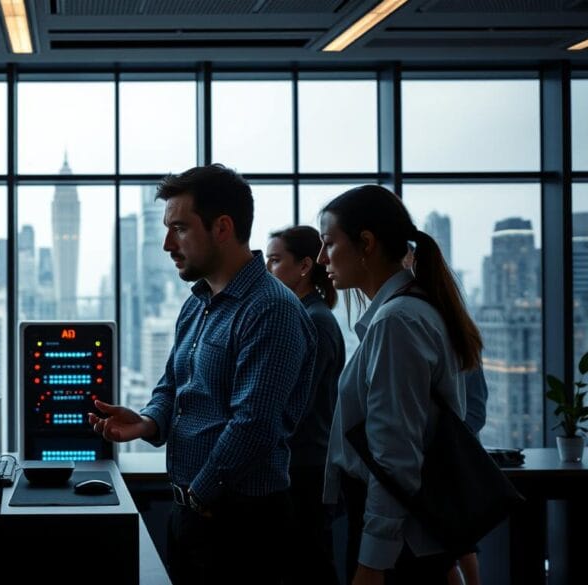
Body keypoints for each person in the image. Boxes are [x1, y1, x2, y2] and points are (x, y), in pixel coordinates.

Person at [88, 164, 317, 585]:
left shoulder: (272, 310)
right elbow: (172, 385)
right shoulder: (197, 303)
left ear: (222, 227)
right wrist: (148, 421)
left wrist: (200, 492)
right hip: (195, 516)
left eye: (180, 228)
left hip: (243, 526)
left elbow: (254, 424)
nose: (166, 244)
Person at [318, 185, 482, 585]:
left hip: (396, 545)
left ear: (366, 244)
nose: (322, 258)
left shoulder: (398, 321)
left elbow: (394, 457)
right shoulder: (414, 308)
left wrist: (372, 563)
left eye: (328, 243)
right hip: (410, 532)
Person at [266, 226, 346, 585]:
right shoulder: (307, 316)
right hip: (304, 464)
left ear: (304, 267)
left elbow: (295, 403)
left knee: (309, 566)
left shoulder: (313, 321)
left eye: (275, 260)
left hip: (305, 468)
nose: (267, 269)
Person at [404, 243, 486, 585]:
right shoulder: (450, 323)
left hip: (436, 465)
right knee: (453, 552)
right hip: (448, 462)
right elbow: (476, 407)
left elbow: (473, 406)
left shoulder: (423, 324)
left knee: (443, 557)